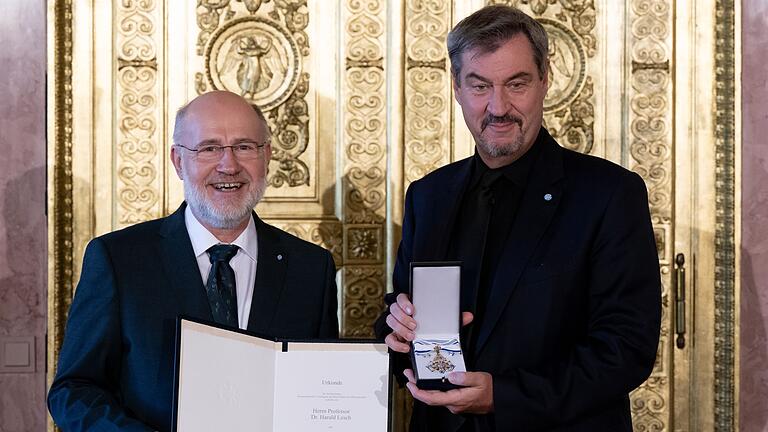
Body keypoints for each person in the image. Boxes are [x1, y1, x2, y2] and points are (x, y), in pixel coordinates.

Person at [374, 5, 661, 431]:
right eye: (479, 85)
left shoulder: (609, 193)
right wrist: (395, 333)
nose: (498, 106)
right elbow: (408, 326)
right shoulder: (428, 196)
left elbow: (625, 349)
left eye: (517, 84)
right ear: (456, 87)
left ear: (545, 79)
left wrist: (502, 397)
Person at [48, 91, 339, 431]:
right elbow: (73, 391)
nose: (228, 165)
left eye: (244, 146)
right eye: (209, 148)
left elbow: (321, 389)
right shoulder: (119, 260)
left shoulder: (311, 268)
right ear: (177, 161)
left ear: (267, 156)